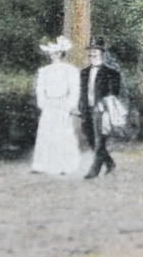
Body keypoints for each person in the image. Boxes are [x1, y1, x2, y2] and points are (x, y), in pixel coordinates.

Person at [31, 35, 82, 176]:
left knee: (62, 133)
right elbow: (40, 90)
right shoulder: (44, 71)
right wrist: (43, 104)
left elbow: (74, 90)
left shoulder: (70, 70)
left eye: (56, 53)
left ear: (62, 53)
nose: (53, 55)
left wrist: (69, 105)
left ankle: (64, 165)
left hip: (63, 104)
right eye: (51, 53)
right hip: (49, 104)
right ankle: (41, 164)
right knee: (46, 132)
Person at [79, 39, 124, 179]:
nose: (92, 53)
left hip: (102, 111)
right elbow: (82, 93)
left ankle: (94, 171)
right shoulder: (84, 72)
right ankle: (109, 163)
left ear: (102, 53)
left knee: (99, 141)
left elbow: (113, 94)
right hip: (87, 110)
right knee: (91, 140)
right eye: (90, 50)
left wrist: (102, 105)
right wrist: (80, 108)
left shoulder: (112, 73)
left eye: (95, 50)